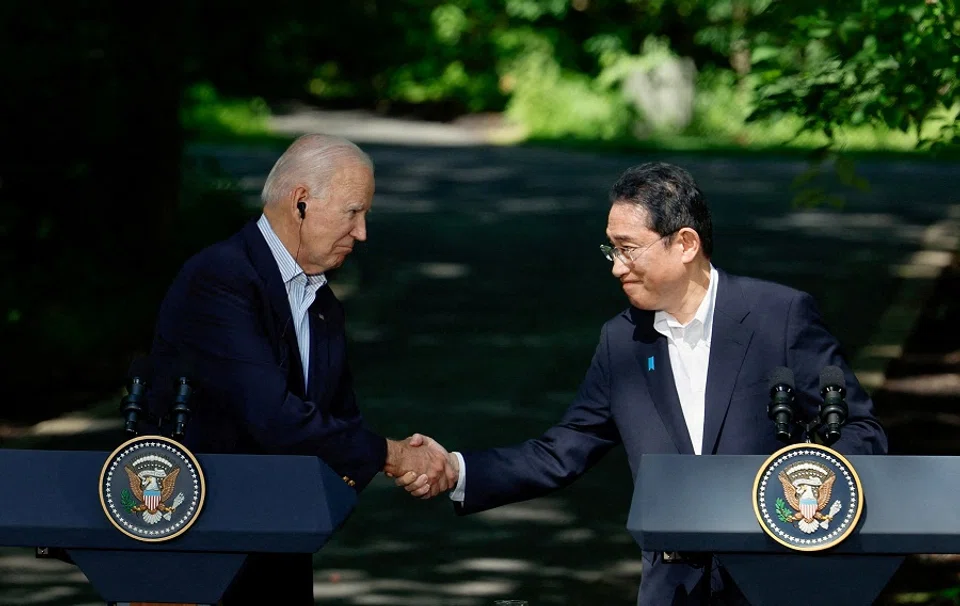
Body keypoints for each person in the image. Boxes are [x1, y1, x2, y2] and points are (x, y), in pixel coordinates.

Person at [396, 162, 888, 604]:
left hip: (777, 581)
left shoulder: (778, 316)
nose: (616, 266)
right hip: (671, 588)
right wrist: (457, 469)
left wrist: (803, 503)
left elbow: (860, 431)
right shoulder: (622, 340)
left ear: (686, 244)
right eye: (612, 249)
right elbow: (565, 448)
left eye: (629, 249)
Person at [144, 134, 455, 604]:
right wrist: (393, 456)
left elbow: (339, 421)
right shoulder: (221, 277)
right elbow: (271, 415)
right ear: (302, 203)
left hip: (279, 544)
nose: (363, 232)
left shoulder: (323, 302)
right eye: (354, 212)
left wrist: (410, 461)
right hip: (196, 545)